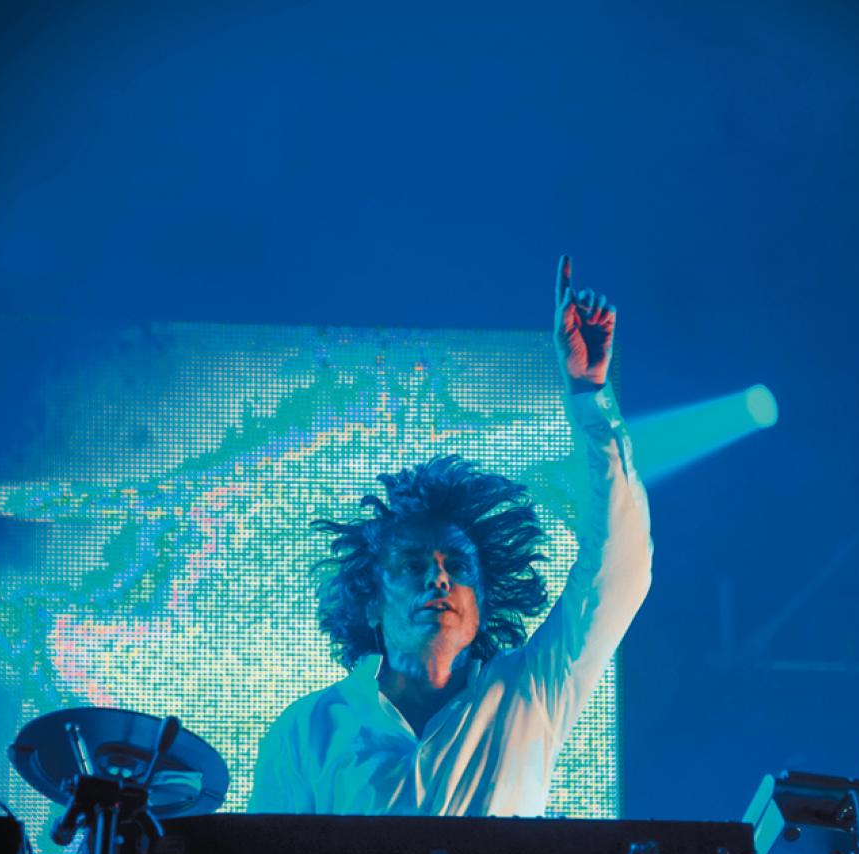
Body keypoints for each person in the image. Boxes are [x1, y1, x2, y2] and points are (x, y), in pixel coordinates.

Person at [248, 256, 653, 816]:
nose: (439, 578)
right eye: (413, 565)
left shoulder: (530, 693)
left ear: (481, 603)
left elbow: (619, 572)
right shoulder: (309, 729)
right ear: (369, 601)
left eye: (457, 567)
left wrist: (589, 394)